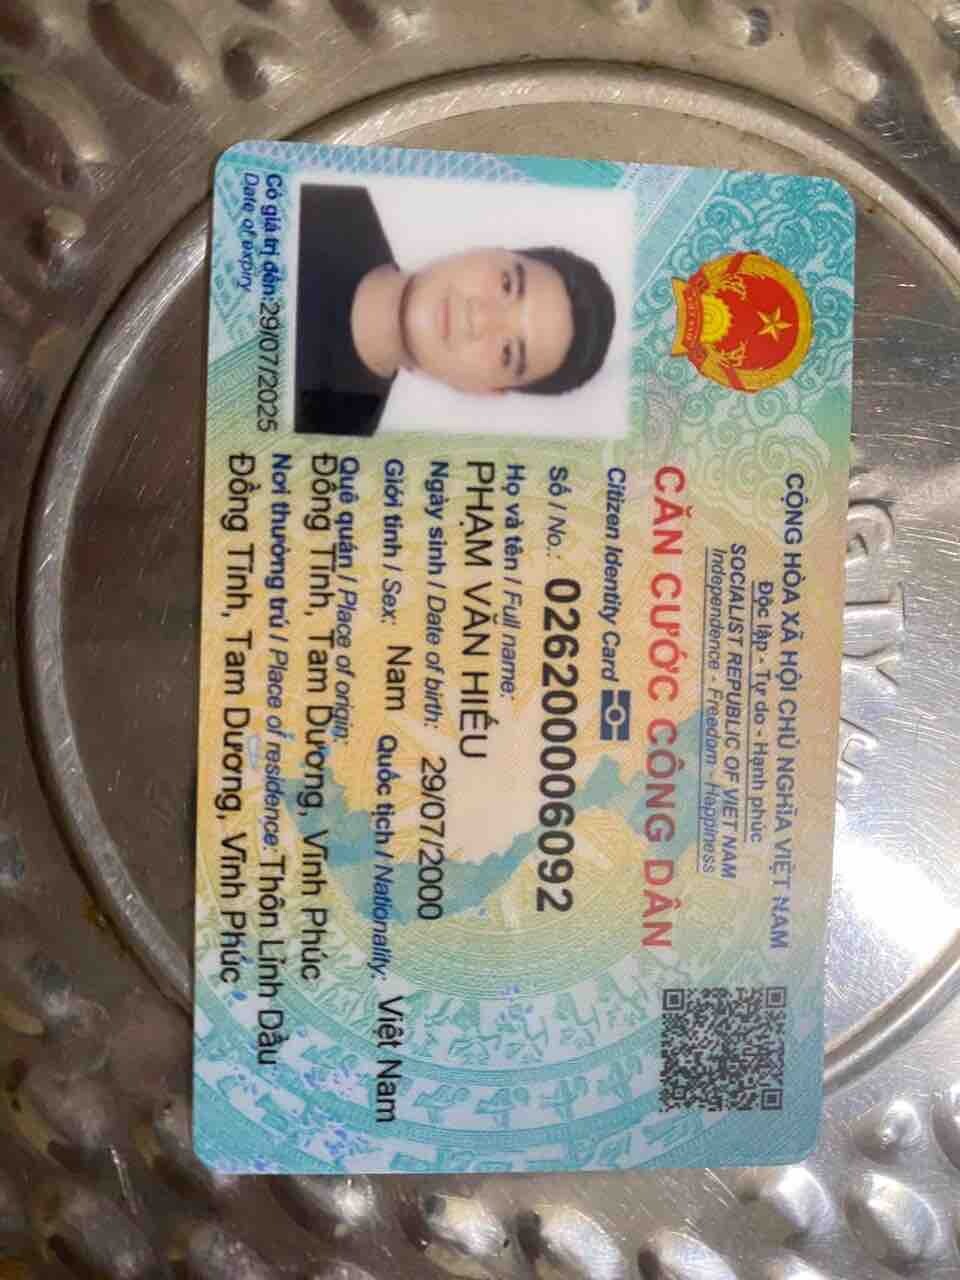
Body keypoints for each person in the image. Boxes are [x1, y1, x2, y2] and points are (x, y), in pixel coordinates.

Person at [294, 184, 616, 435]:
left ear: (483, 391)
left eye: (507, 352)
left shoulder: (327, 440)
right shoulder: (319, 198)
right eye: (507, 284)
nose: (480, 317)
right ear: (488, 251)